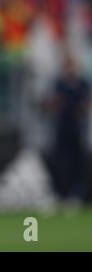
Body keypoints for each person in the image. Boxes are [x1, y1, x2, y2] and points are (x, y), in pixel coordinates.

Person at [47, 54, 90, 208]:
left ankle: (76, 195)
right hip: (62, 130)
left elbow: (86, 105)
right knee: (61, 163)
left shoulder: (82, 84)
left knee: (78, 164)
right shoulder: (59, 83)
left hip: (77, 130)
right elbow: (53, 104)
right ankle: (60, 194)